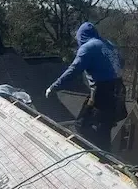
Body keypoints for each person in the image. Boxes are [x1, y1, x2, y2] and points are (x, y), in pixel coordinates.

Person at [45, 22, 127, 150]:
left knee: (81, 125)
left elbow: (73, 70)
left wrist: (54, 87)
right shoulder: (109, 45)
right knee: (104, 130)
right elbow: (121, 62)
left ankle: (98, 154)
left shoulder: (88, 48)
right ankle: (106, 157)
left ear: (81, 37)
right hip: (119, 91)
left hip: (103, 93)